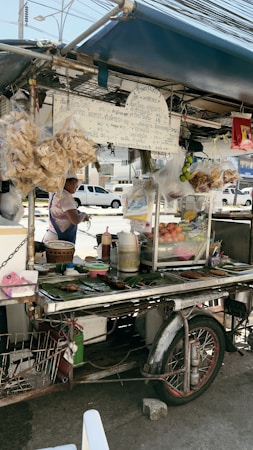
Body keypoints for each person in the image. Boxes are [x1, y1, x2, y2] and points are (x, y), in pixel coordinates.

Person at [43, 173, 90, 244]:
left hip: (52, 236)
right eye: (75, 182)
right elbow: (75, 220)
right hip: (59, 240)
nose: (77, 186)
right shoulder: (66, 196)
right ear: (66, 182)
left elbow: (66, 213)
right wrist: (83, 215)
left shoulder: (57, 193)